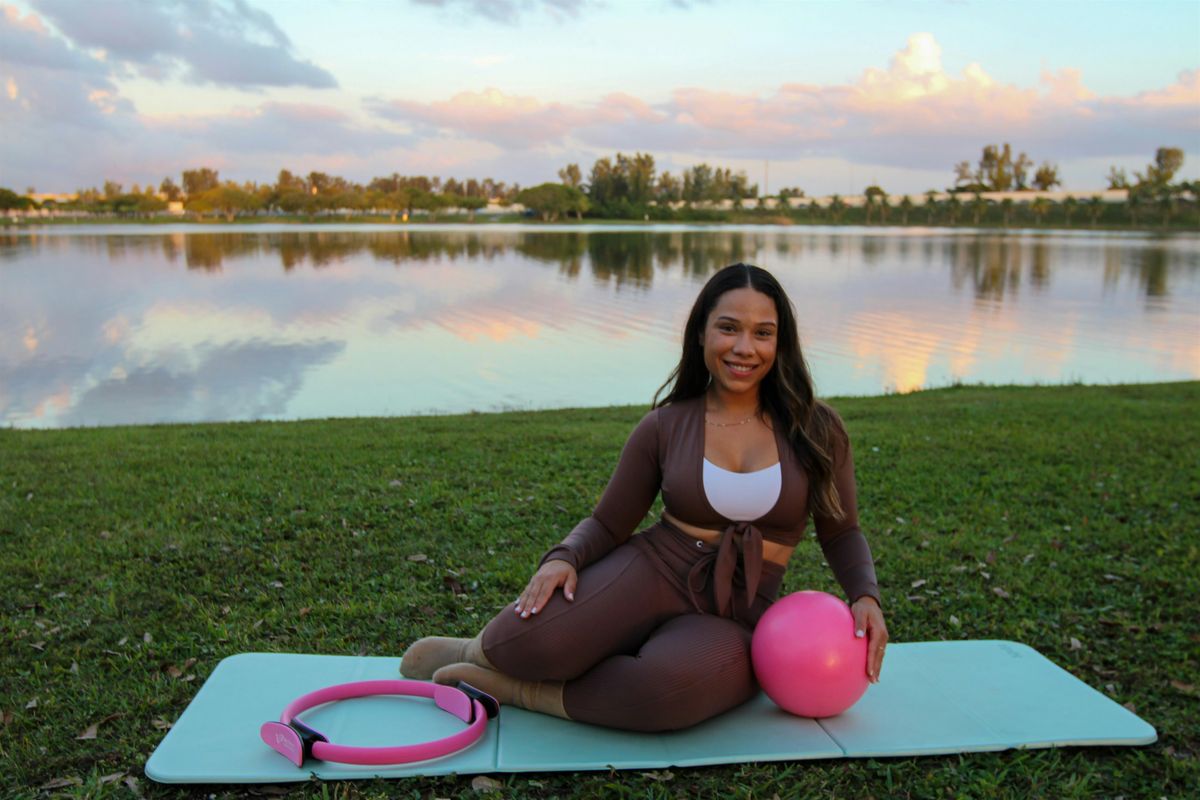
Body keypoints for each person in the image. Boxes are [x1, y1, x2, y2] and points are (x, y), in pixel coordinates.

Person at [401, 263, 887, 731]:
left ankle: (517, 690)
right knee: (529, 642)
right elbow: (611, 523)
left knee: (664, 691)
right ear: (701, 334)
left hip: (740, 606)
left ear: (781, 343)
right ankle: (476, 653)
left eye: (763, 332)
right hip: (655, 568)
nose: (744, 348)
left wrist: (864, 594)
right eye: (728, 328)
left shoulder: (818, 429)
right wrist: (564, 557)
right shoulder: (665, 425)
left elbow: (841, 530)